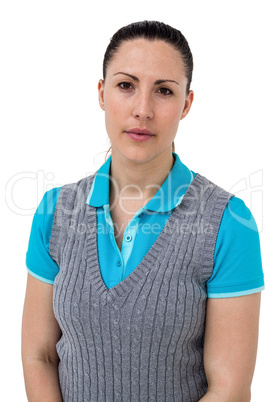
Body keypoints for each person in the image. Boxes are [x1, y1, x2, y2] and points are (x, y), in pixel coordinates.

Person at [21, 20, 264, 401]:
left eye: (164, 91)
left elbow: (230, 389)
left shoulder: (229, 223)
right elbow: (40, 355)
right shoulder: (56, 212)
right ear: (102, 93)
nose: (142, 109)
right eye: (125, 85)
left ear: (186, 104)